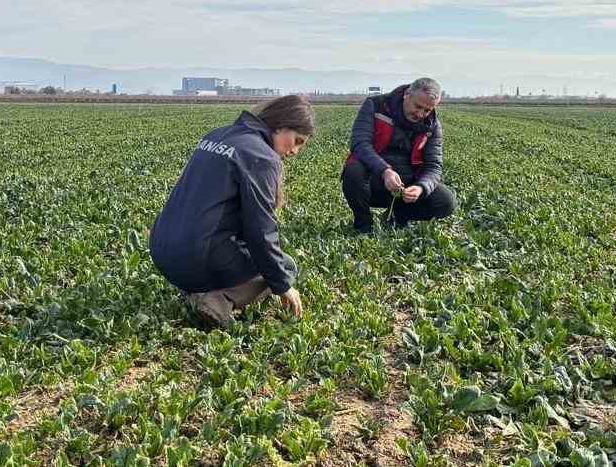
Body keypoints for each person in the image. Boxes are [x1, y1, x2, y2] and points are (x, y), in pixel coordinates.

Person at [151, 94, 314, 330]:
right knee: (285, 267)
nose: (295, 151)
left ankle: (197, 286)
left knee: (248, 252)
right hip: (197, 258)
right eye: (297, 140)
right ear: (281, 126)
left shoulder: (216, 135)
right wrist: (283, 284)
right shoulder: (262, 156)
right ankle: (218, 299)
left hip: (162, 251)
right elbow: (260, 231)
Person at [342, 77, 457, 233]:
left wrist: (420, 187)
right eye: (418, 106)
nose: (421, 114)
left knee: (445, 202)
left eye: (427, 110)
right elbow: (360, 144)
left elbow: (434, 166)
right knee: (353, 171)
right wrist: (385, 171)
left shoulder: (432, 125)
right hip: (374, 178)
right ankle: (363, 224)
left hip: (408, 183)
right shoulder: (376, 105)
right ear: (407, 94)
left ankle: (399, 215)